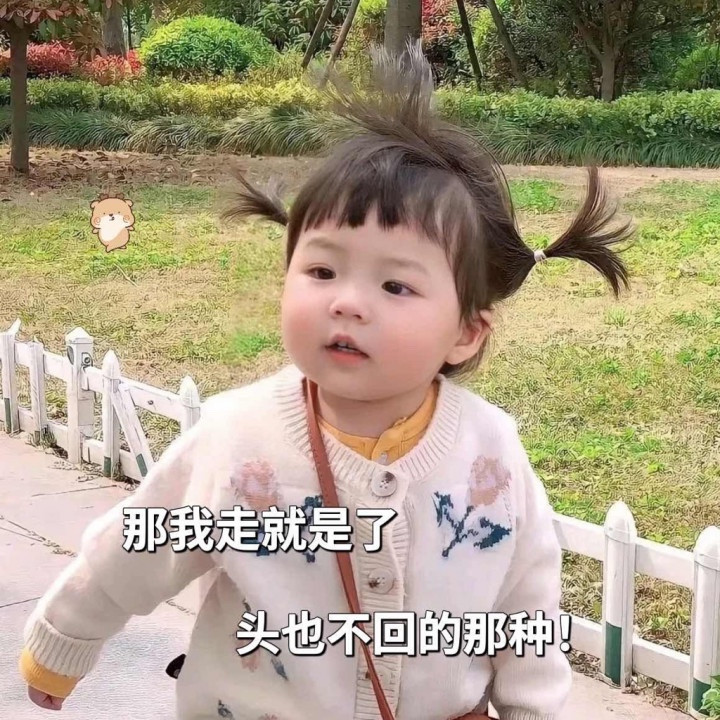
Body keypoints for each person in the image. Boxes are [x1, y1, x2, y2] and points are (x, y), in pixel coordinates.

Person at [19, 42, 633, 720]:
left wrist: (532, 707)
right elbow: (136, 547)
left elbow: (527, 606)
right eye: (321, 271)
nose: (347, 302)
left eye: (395, 285)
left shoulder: (491, 453)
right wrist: (63, 640)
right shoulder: (237, 436)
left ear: (466, 331)